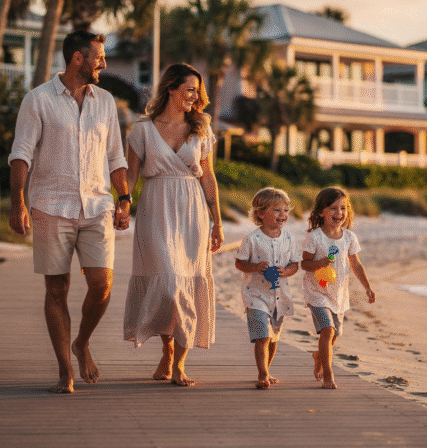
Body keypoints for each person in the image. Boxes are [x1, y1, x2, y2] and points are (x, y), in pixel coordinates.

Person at [8, 29, 132, 394]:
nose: (104, 64)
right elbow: (21, 154)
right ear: (78, 58)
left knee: (102, 285)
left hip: (96, 206)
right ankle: (66, 371)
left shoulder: (105, 101)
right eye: (99, 57)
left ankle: (82, 342)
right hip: (51, 206)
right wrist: (18, 203)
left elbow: (116, 157)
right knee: (57, 289)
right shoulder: (38, 100)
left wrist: (124, 199)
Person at [122, 63, 223, 387]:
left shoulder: (202, 128)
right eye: (190, 89)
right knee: (166, 282)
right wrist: (122, 203)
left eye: (198, 90)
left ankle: (177, 361)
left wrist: (217, 223)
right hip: (155, 206)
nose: (196, 96)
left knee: (186, 282)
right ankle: (168, 347)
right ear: (171, 89)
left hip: (192, 208)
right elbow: (131, 175)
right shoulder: (141, 129)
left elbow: (208, 177)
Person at [301, 186, 375, 389]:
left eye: (343, 208)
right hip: (317, 292)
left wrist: (367, 287)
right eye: (333, 208)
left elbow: (356, 264)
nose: (338, 213)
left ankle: (319, 356)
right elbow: (305, 264)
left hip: (339, 294)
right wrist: (318, 264)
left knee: (334, 335)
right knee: (327, 329)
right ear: (321, 212)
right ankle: (328, 375)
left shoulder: (349, 237)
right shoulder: (314, 237)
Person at [234, 187, 302, 389]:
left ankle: (267, 369)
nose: (283, 215)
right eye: (276, 210)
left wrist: (285, 271)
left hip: (279, 297)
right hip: (255, 295)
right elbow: (239, 263)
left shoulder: (289, 239)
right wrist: (255, 267)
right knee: (263, 336)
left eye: (285, 211)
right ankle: (262, 374)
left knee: (273, 338)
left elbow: (295, 265)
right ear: (261, 213)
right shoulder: (252, 239)